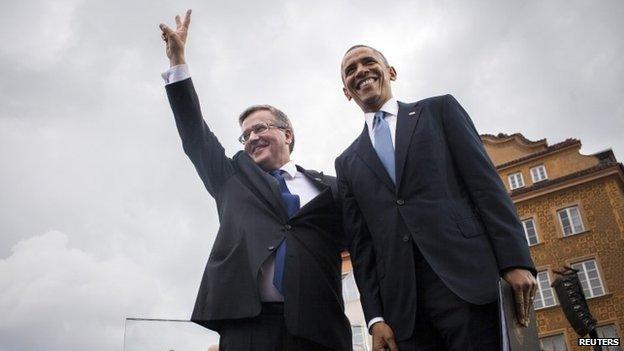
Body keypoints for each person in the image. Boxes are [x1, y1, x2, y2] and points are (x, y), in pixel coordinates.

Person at [158, 10, 351, 350]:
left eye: (260, 128)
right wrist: (178, 63)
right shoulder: (231, 178)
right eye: (245, 135)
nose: (251, 138)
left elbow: (365, 246)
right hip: (248, 327)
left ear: (287, 134)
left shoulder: (331, 188)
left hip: (320, 330)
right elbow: (194, 134)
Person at [334, 45, 538, 351]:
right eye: (350, 70)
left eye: (368, 62)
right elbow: (362, 249)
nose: (360, 71)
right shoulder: (347, 162)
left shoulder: (438, 111)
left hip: (468, 283)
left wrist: (516, 260)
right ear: (347, 92)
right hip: (405, 312)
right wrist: (375, 319)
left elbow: (486, 187)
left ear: (390, 72)